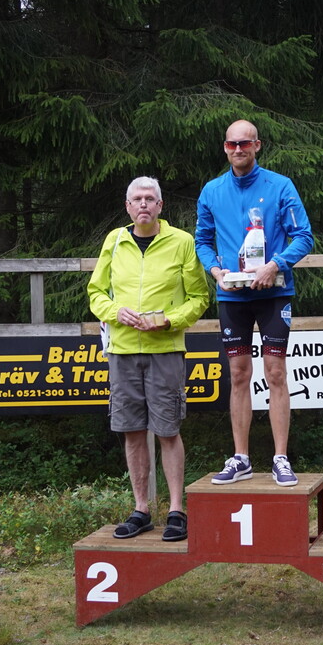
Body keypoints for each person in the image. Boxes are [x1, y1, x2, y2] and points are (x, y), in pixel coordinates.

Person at [88, 176, 210, 541]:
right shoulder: (114, 240)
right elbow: (96, 293)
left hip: (165, 349)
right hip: (122, 350)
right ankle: (141, 509)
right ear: (127, 207)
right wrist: (115, 311)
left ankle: (176, 510)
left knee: (168, 430)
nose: (143, 204)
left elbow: (200, 298)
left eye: (149, 199)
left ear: (160, 206)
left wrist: (170, 320)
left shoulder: (182, 242)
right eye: (137, 199)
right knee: (132, 431)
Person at [195, 119, 314, 486]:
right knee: (238, 374)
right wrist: (215, 271)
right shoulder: (212, 191)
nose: (238, 150)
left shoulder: (280, 186)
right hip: (232, 294)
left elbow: (304, 236)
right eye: (232, 144)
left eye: (245, 143)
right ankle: (241, 458)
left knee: (275, 372)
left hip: (273, 292)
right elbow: (202, 240)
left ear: (257, 146)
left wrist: (275, 264)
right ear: (224, 147)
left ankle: (281, 458)